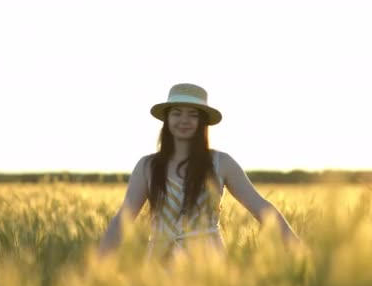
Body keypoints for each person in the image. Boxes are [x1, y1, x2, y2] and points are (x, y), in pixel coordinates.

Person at [98, 83, 300, 262]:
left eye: (192, 114)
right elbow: (123, 219)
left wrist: (299, 251)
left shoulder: (222, 163)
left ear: (202, 122)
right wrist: (98, 265)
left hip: (208, 265)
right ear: (167, 119)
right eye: (177, 113)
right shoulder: (147, 166)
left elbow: (262, 208)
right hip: (160, 266)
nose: (184, 120)